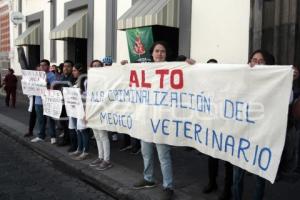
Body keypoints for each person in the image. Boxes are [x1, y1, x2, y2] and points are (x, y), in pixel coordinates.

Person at [132, 41, 174, 200]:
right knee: (146, 153)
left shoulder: (173, 69)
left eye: (162, 51)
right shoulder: (145, 70)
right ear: (152, 53)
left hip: (161, 121)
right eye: (157, 51)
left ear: (166, 54)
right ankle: (148, 179)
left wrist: (190, 64)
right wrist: (123, 67)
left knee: (164, 155)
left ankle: (168, 186)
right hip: (145, 119)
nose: (160, 54)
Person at [232, 49, 275, 200]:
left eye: (260, 61)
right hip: (242, 134)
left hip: (261, 137)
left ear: (267, 64)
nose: (256, 63)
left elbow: (286, 100)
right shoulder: (242, 80)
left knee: (259, 179)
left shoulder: (274, 84)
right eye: (253, 60)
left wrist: (290, 77)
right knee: (237, 177)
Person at [202, 59, 233, 200]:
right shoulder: (202, 85)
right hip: (211, 128)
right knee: (212, 157)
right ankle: (212, 182)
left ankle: (227, 189)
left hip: (227, 128)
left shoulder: (226, 84)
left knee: (228, 161)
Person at [88, 59, 113, 170]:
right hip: (92, 111)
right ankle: (100, 157)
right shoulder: (90, 80)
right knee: (97, 136)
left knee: (103, 136)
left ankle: (106, 160)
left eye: (98, 65)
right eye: (94, 66)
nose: (96, 67)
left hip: (102, 110)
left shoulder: (106, 79)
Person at [31, 59, 57, 144]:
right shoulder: (37, 75)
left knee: (51, 119)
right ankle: (41, 136)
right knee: (41, 120)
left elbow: (54, 87)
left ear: (48, 66)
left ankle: (53, 136)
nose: (42, 66)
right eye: (41, 65)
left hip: (48, 101)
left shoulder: (51, 75)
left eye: (44, 65)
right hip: (38, 101)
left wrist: (47, 84)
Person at [68, 63, 90, 160]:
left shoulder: (86, 81)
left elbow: (88, 96)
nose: (73, 72)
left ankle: (86, 151)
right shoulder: (77, 80)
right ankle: (79, 149)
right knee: (78, 130)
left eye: (74, 70)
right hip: (76, 109)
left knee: (83, 131)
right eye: (73, 70)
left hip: (83, 109)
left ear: (80, 71)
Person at [24, 64, 40, 137]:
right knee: (32, 116)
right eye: (37, 70)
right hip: (34, 100)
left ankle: (42, 133)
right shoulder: (32, 78)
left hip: (42, 101)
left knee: (42, 118)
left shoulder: (44, 78)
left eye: (39, 70)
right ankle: (30, 131)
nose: (38, 71)